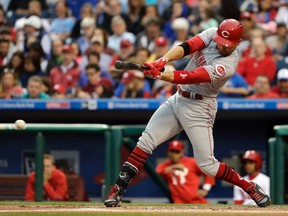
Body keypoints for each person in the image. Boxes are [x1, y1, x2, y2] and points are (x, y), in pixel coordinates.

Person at [104, 19, 271, 208]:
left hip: (199, 108)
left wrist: (161, 75)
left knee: (207, 165)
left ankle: (249, 187)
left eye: (227, 45)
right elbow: (187, 46)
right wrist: (162, 60)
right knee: (145, 142)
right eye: (220, 42)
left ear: (238, 43)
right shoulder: (213, 34)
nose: (221, 47)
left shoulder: (227, 65)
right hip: (178, 99)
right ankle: (117, 189)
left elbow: (192, 77)